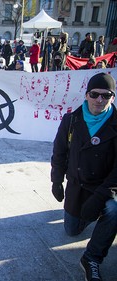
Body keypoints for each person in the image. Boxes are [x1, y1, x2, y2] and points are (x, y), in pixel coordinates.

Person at [51, 73, 117, 281]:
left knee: (114, 210)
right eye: (95, 94)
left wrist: (99, 199)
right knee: (72, 231)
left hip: (104, 188)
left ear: (112, 98)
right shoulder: (71, 120)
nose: (100, 100)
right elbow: (59, 152)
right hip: (77, 185)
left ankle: (92, 258)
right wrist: (56, 181)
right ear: (87, 95)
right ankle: (96, 217)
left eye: (106, 95)